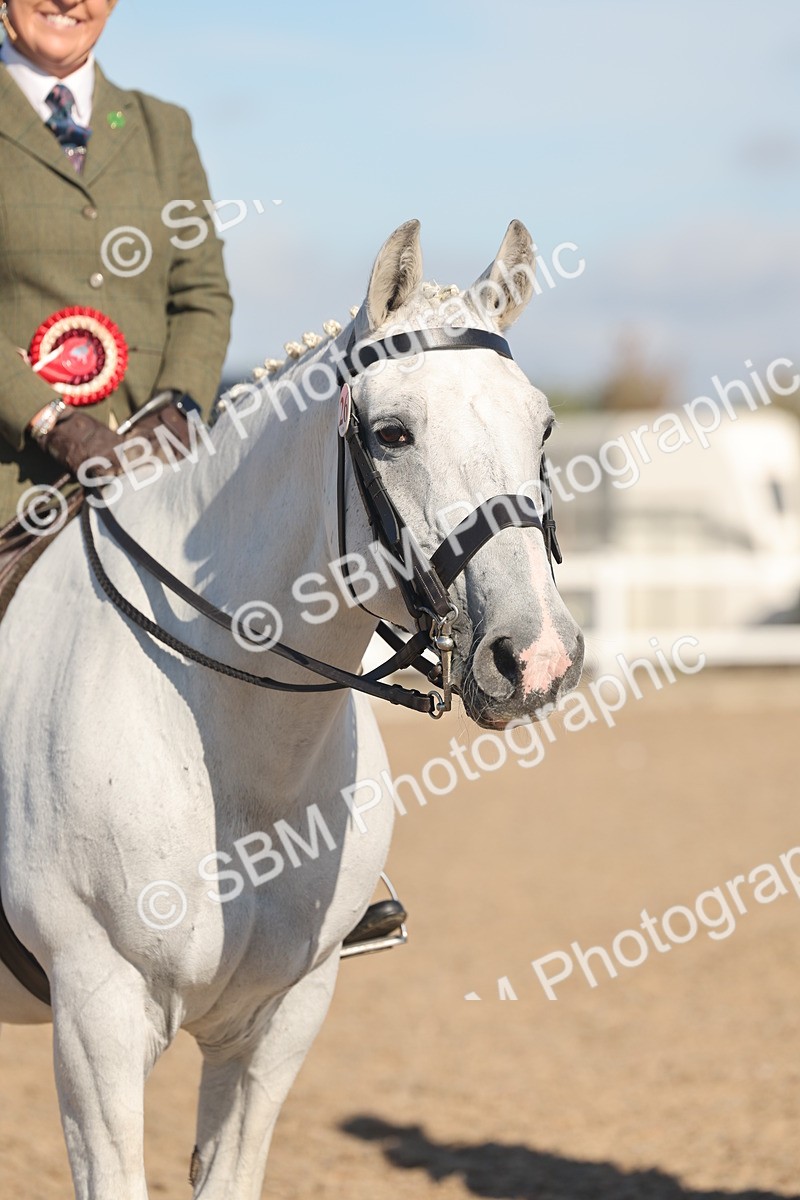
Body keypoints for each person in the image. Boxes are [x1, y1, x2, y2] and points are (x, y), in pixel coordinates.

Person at [0, 0, 232, 554]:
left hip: (150, 489)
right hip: (12, 490)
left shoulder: (164, 129)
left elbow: (201, 294)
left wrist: (174, 415)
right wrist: (57, 425)